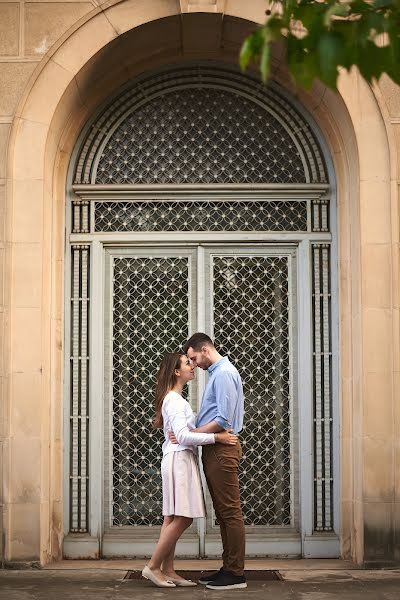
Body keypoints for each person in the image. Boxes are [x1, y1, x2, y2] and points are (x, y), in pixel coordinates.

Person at [141, 352, 238, 588]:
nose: (192, 366)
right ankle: (153, 567)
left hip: (180, 458)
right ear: (176, 372)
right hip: (179, 460)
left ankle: (169, 570)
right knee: (183, 517)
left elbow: (183, 434)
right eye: (187, 363)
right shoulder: (173, 400)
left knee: (172, 517)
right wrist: (217, 437)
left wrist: (188, 436)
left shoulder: (176, 399)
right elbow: (183, 436)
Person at [181, 333, 247, 590]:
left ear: (205, 349)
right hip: (216, 447)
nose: (194, 364)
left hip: (222, 447)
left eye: (194, 358)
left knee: (229, 511)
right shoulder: (218, 374)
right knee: (224, 511)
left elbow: (223, 420)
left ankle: (235, 573)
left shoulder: (223, 374)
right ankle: (229, 567)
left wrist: (193, 434)